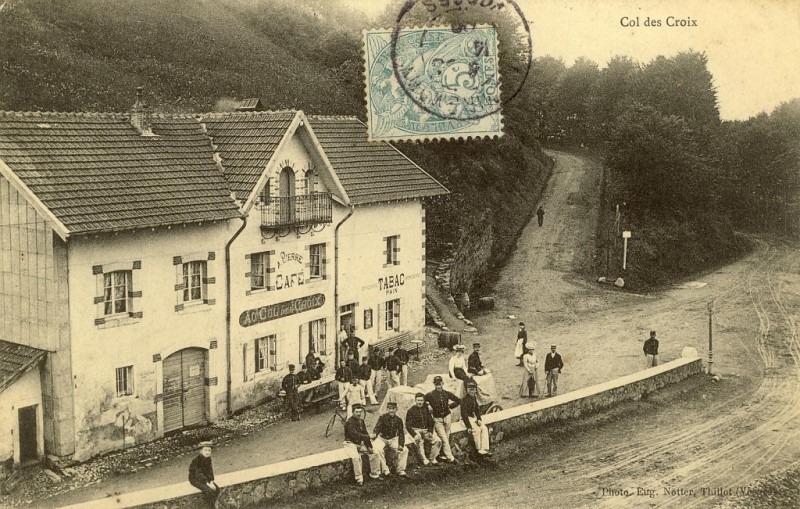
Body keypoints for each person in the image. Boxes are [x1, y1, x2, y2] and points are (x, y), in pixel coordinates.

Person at [424, 375, 460, 463]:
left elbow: (458, 400)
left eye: (439, 384)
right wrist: (428, 405)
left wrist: (450, 406)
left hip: (447, 417)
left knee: (446, 436)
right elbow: (421, 400)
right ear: (434, 384)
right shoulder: (430, 395)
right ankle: (450, 457)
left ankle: (442, 455)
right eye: (436, 384)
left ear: (442, 383)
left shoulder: (446, 393)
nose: (438, 386)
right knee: (443, 438)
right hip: (437, 419)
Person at [343, 404, 382, 486]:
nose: (358, 414)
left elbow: (365, 433)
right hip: (350, 444)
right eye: (356, 412)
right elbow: (355, 435)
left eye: (360, 412)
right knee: (356, 457)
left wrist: (369, 446)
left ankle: (375, 474)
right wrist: (369, 437)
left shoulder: (361, 421)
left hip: (359, 444)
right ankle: (359, 479)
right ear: (352, 412)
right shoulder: (348, 422)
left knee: (375, 452)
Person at [373, 401, 409, 476]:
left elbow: (401, 433)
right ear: (387, 409)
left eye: (393, 409)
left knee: (405, 450)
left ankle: (400, 470)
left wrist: (401, 444)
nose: (391, 410)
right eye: (390, 409)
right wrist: (374, 436)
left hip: (392, 439)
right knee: (378, 450)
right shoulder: (382, 417)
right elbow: (377, 428)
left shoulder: (398, 419)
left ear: (396, 409)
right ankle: (385, 470)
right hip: (382, 438)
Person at [405, 392, 442, 466]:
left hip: (426, 430)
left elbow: (431, 422)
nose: (420, 402)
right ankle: (424, 460)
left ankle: (432, 458)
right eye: (418, 400)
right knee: (419, 440)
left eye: (421, 400)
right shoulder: (410, 410)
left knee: (438, 441)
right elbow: (408, 425)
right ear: (415, 400)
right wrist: (414, 434)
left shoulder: (426, 409)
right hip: (416, 430)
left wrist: (430, 431)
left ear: (424, 401)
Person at [461, 380, 491, 458]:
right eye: (470, 390)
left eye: (473, 390)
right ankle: (478, 449)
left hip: (473, 418)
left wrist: (479, 419)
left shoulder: (474, 398)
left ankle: (484, 448)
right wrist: (468, 427)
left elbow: (477, 410)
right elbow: (464, 415)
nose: (472, 391)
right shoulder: (464, 400)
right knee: (477, 430)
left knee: (484, 428)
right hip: (466, 419)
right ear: (467, 390)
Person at [189, 441, 220, 508]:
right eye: (205, 450)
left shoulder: (208, 459)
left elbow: (209, 471)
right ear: (201, 451)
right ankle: (210, 507)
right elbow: (198, 474)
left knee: (217, 489)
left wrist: (211, 481)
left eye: (209, 450)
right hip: (195, 479)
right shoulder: (197, 460)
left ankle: (214, 504)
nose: (207, 452)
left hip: (205, 478)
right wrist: (208, 484)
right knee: (209, 490)